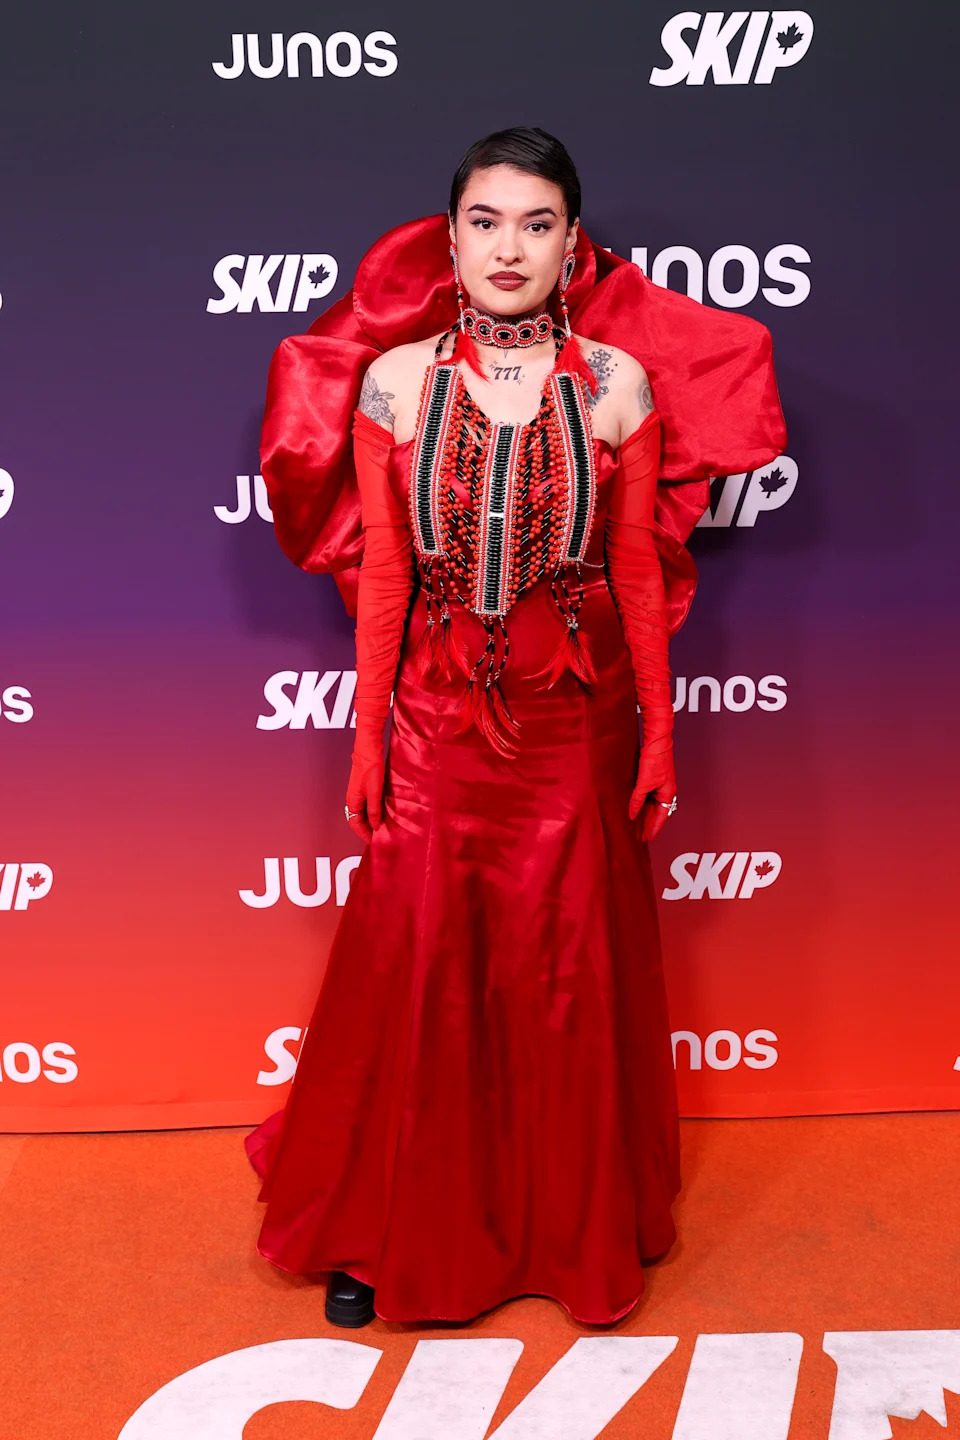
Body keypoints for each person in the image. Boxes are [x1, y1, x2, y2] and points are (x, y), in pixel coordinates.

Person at [244, 127, 786, 1328]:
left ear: (572, 246)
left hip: (573, 728)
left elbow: (640, 577)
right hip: (434, 726)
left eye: (536, 224)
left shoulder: (618, 387)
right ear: (449, 240)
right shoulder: (393, 384)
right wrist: (371, 738)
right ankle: (387, 1232)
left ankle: (567, 1230)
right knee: (422, 978)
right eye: (486, 221)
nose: (509, 246)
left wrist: (657, 736)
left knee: (563, 983)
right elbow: (385, 574)